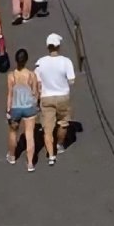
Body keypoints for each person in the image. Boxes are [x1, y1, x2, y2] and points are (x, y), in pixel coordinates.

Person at [35, 33, 77, 166]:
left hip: (46, 97)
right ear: (58, 46)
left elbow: (37, 82)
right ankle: (59, 145)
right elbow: (72, 80)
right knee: (63, 123)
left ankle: (51, 155)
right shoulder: (66, 61)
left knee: (47, 128)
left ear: (47, 46)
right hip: (63, 96)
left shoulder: (40, 62)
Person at [4, 48, 42, 168]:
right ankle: (30, 163)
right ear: (26, 60)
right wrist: (36, 104)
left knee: (13, 132)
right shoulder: (32, 75)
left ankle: (12, 156)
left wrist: (8, 109)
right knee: (30, 135)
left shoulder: (11, 76)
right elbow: (36, 93)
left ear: (16, 60)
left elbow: (10, 94)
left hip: (16, 107)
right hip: (29, 107)